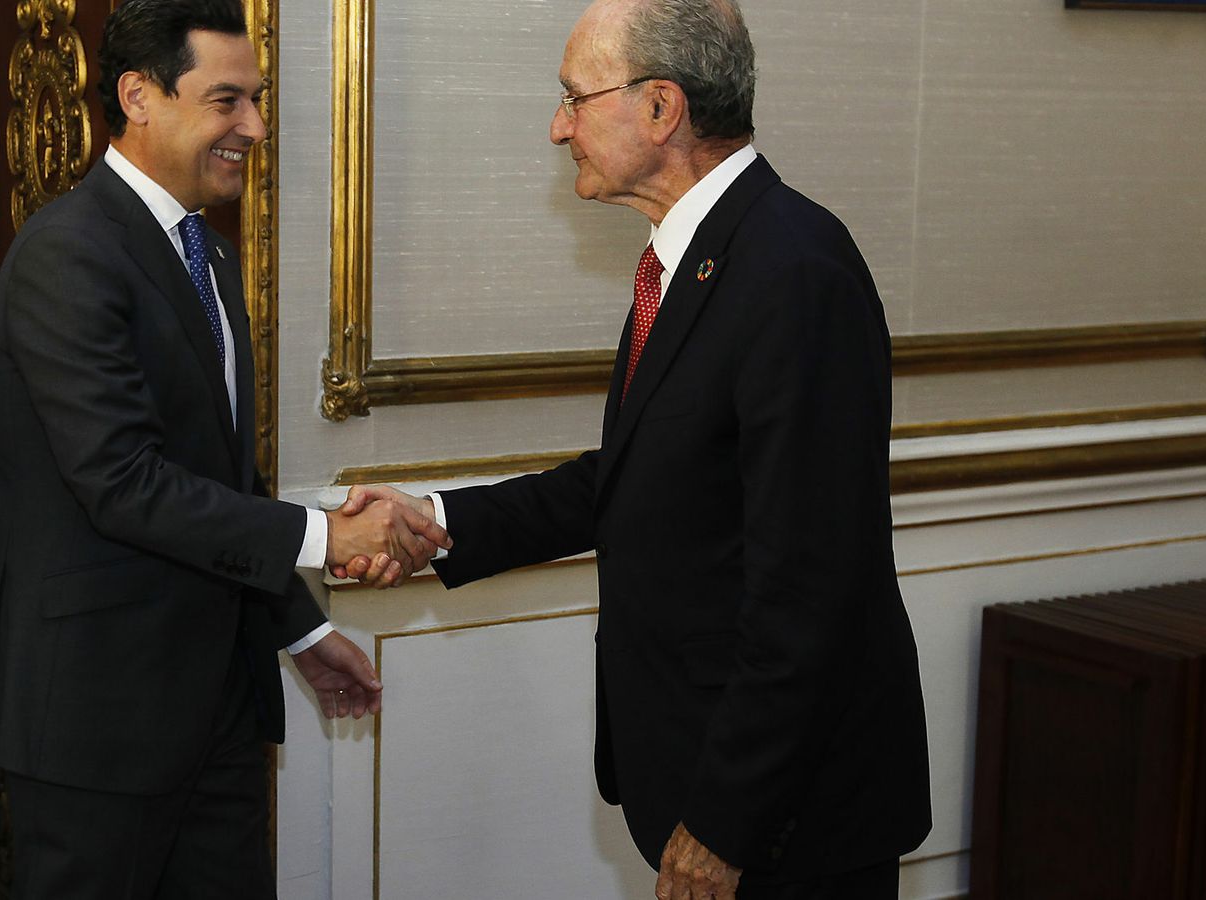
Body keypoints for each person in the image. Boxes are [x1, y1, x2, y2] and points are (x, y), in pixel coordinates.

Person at [339, 1, 931, 897]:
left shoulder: (794, 270)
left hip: (789, 822)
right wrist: (442, 520)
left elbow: (810, 587)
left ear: (662, 107)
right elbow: (640, 480)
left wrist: (726, 821)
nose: (556, 127)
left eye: (575, 98)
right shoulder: (690, 259)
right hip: (717, 785)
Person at [0, 1, 449, 896]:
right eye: (228, 100)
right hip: (98, 719)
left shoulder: (208, 252)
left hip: (220, 709)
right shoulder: (67, 254)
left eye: (258, 100)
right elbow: (123, 484)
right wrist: (326, 539)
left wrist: (301, 630)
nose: (256, 127)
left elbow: (223, 479)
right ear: (138, 96)